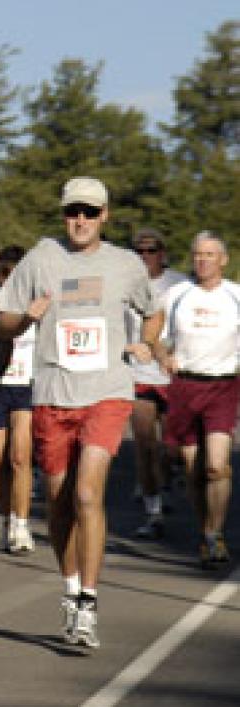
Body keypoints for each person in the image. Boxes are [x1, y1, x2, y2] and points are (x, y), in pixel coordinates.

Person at [0, 176, 158, 649]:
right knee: (60, 503)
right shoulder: (42, 258)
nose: (79, 220)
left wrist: (147, 342)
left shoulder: (124, 264)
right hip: (52, 394)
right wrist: (24, 318)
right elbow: (0, 320)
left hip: (106, 391)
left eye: (89, 211)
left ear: (104, 214)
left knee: (88, 494)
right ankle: (69, 589)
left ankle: (88, 600)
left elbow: (153, 311)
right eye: (72, 212)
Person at [145, 231, 240, 568]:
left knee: (217, 464)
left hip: (224, 386)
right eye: (198, 254)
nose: (203, 260)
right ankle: (205, 530)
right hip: (185, 386)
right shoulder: (178, 294)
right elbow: (153, 333)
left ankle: (215, 534)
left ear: (223, 260)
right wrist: (160, 354)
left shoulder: (235, 295)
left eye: (210, 254)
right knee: (193, 468)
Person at [125, 228, 188, 540]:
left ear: (162, 253)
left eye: (151, 250)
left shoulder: (179, 284)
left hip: (174, 374)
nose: (145, 256)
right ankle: (153, 513)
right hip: (139, 373)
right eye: (139, 250)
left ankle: (169, 470)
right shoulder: (124, 284)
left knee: (173, 448)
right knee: (145, 444)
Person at [0, 246, 37, 555]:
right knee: (0, 460)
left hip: (26, 385)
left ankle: (21, 523)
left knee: (20, 457)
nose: (9, 282)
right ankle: (7, 519)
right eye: (4, 275)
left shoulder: (36, 308)